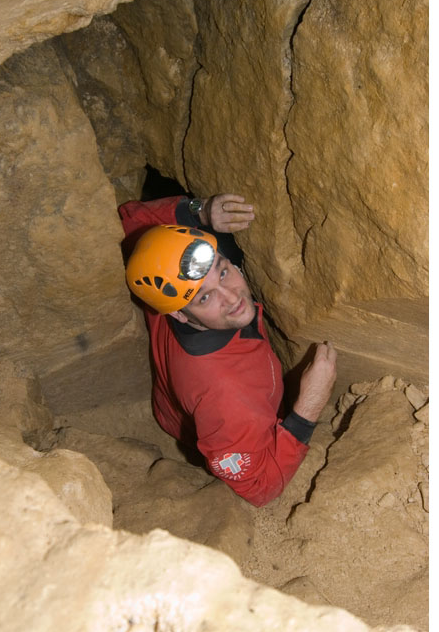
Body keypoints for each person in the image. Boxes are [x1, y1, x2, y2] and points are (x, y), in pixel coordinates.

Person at [119, 192, 337, 507]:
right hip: (218, 425)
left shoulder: (165, 285)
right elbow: (259, 488)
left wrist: (199, 211)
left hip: (175, 403)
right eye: (205, 297)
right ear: (179, 314)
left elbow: (128, 219)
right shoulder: (227, 397)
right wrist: (309, 407)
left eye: (222, 272)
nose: (232, 297)